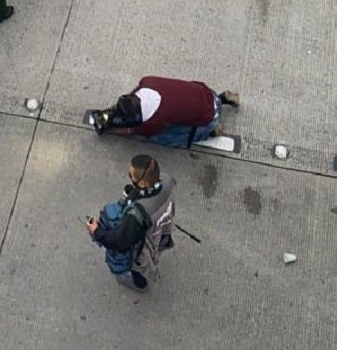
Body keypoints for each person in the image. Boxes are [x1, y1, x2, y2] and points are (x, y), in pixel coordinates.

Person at [85, 155, 176, 292]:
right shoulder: (167, 182)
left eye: (131, 175)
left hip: (144, 247)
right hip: (161, 232)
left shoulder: (135, 215)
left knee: (135, 270)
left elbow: (120, 242)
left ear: (143, 183)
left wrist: (96, 231)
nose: (129, 176)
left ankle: (140, 285)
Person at [89, 76, 240, 148]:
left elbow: (135, 130)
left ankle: (210, 132)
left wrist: (113, 129)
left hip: (208, 116)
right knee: (184, 104)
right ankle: (222, 99)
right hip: (206, 92)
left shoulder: (155, 119)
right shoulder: (146, 82)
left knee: (163, 137)